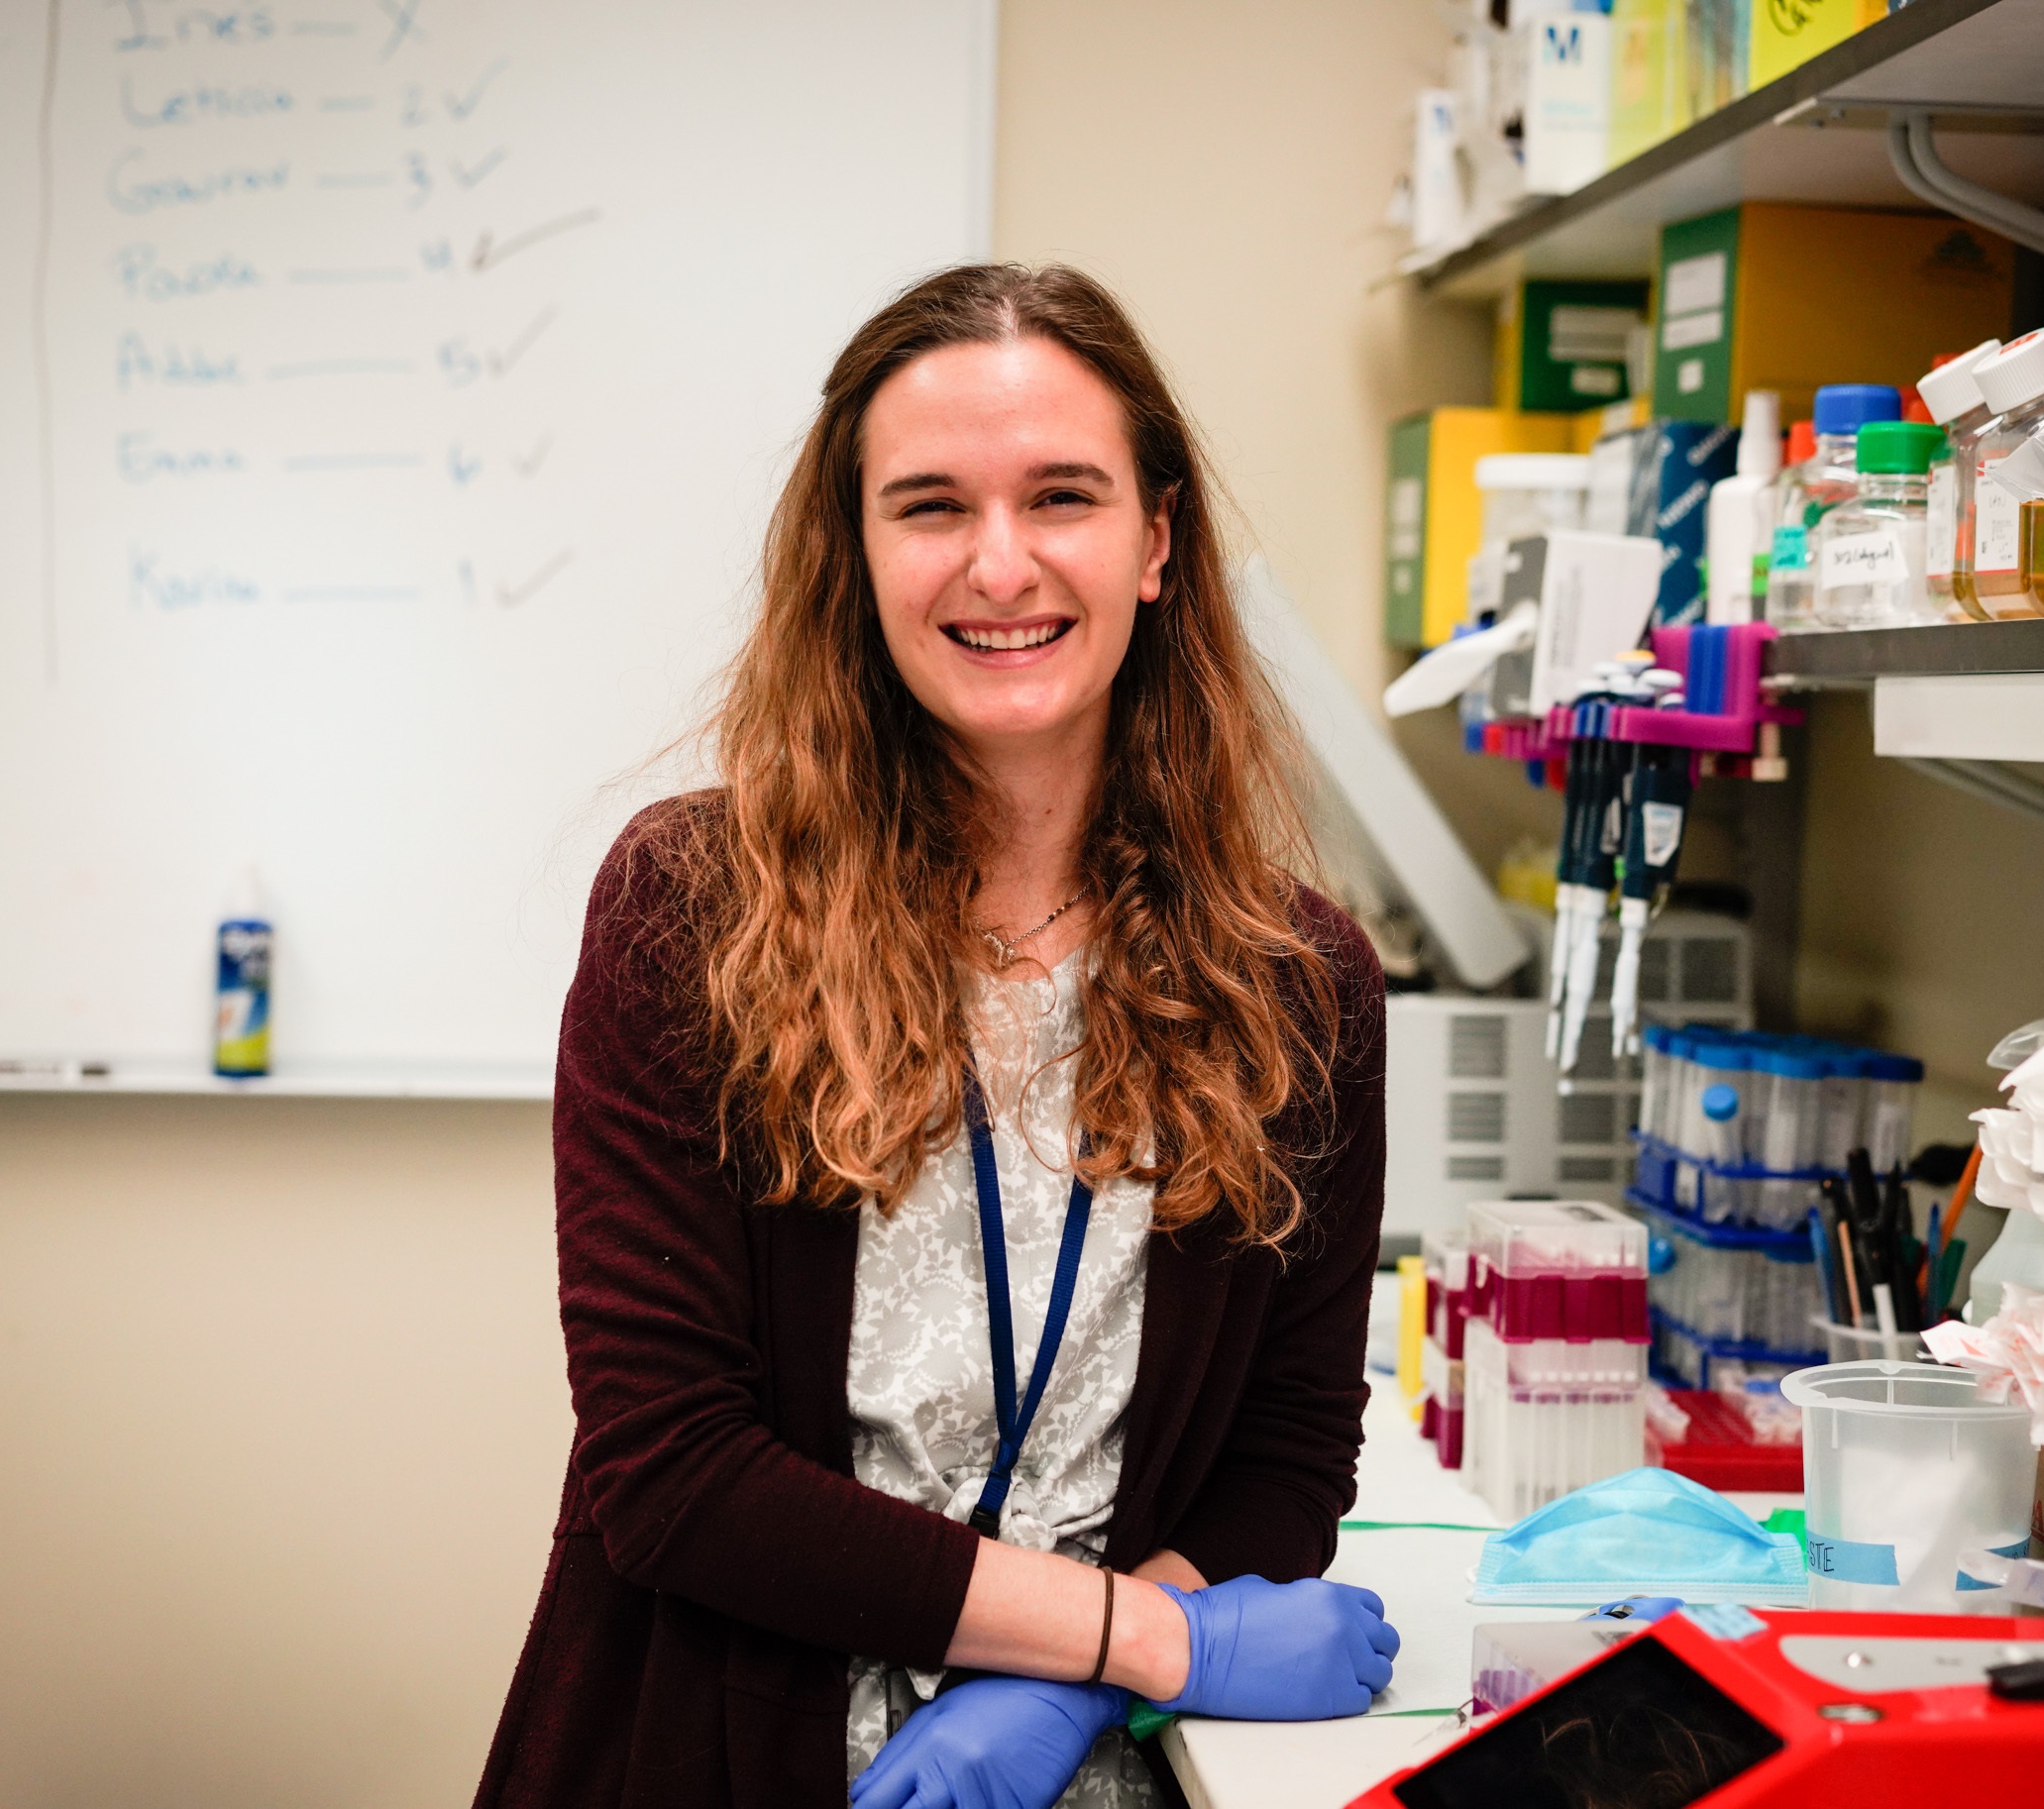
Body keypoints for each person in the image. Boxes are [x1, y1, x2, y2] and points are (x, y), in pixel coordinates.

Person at [471, 264, 1397, 1809]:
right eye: (927, 505)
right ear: (854, 553)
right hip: (717, 1750)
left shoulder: (1296, 979)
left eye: (1061, 495)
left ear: (1155, 540)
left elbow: (1287, 1462)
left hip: (1086, 1775)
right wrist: (1141, 1640)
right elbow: (672, 1475)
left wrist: (1065, 1693)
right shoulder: (691, 912)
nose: (1000, 561)